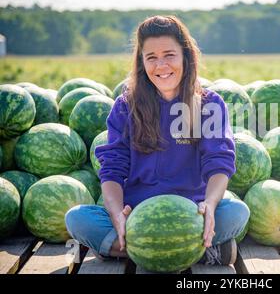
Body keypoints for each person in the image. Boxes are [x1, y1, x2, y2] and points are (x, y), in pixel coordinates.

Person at [65, 15, 250, 266]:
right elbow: (112, 168)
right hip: (137, 216)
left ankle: (124, 250)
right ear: (142, 63)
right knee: (77, 218)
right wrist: (117, 215)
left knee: (237, 212)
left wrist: (209, 203)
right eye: (151, 57)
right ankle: (201, 252)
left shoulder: (209, 104)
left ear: (186, 56)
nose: (161, 65)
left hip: (191, 214)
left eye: (169, 55)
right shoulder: (125, 106)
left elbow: (219, 161)